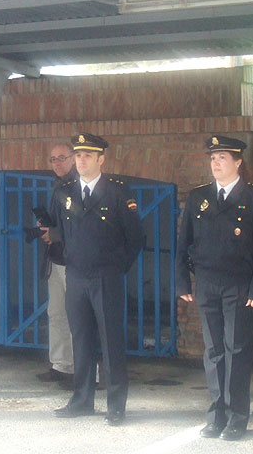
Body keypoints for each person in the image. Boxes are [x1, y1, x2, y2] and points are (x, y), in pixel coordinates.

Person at [176, 135, 253, 441]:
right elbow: (184, 242)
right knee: (214, 352)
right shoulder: (199, 197)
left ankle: (237, 417)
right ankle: (216, 414)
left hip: (240, 286)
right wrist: (182, 281)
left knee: (237, 351)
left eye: (222, 157)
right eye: (213, 158)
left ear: (238, 162)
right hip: (208, 283)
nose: (216, 163)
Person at [50, 133, 144, 426]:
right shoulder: (64, 192)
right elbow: (60, 233)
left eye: (88, 156)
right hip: (76, 276)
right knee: (81, 340)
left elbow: (135, 237)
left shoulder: (117, 192)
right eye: (78, 155)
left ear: (101, 159)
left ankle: (116, 405)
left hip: (106, 277)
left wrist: (115, 267)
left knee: (111, 341)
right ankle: (82, 399)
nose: (81, 161)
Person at [36, 142, 75, 388]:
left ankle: (81, 369)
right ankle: (61, 365)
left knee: (76, 316)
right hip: (56, 258)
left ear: (73, 158)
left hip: (74, 262)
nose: (57, 163)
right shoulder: (58, 186)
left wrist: (55, 234)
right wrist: (46, 227)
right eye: (53, 159)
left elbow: (81, 226)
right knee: (57, 314)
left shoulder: (78, 185)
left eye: (62, 157)